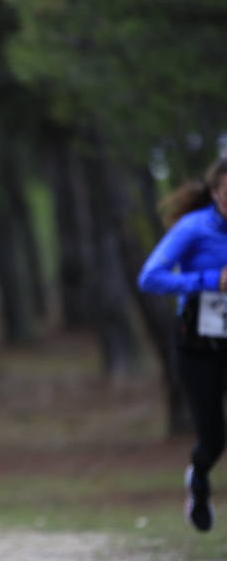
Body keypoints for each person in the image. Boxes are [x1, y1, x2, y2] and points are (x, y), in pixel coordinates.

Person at [138, 158, 227, 533]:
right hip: (199, 346)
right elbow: (150, 277)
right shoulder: (194, 229)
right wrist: (210, 280)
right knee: (213, 436)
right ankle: (199, 479)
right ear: (216, 192)